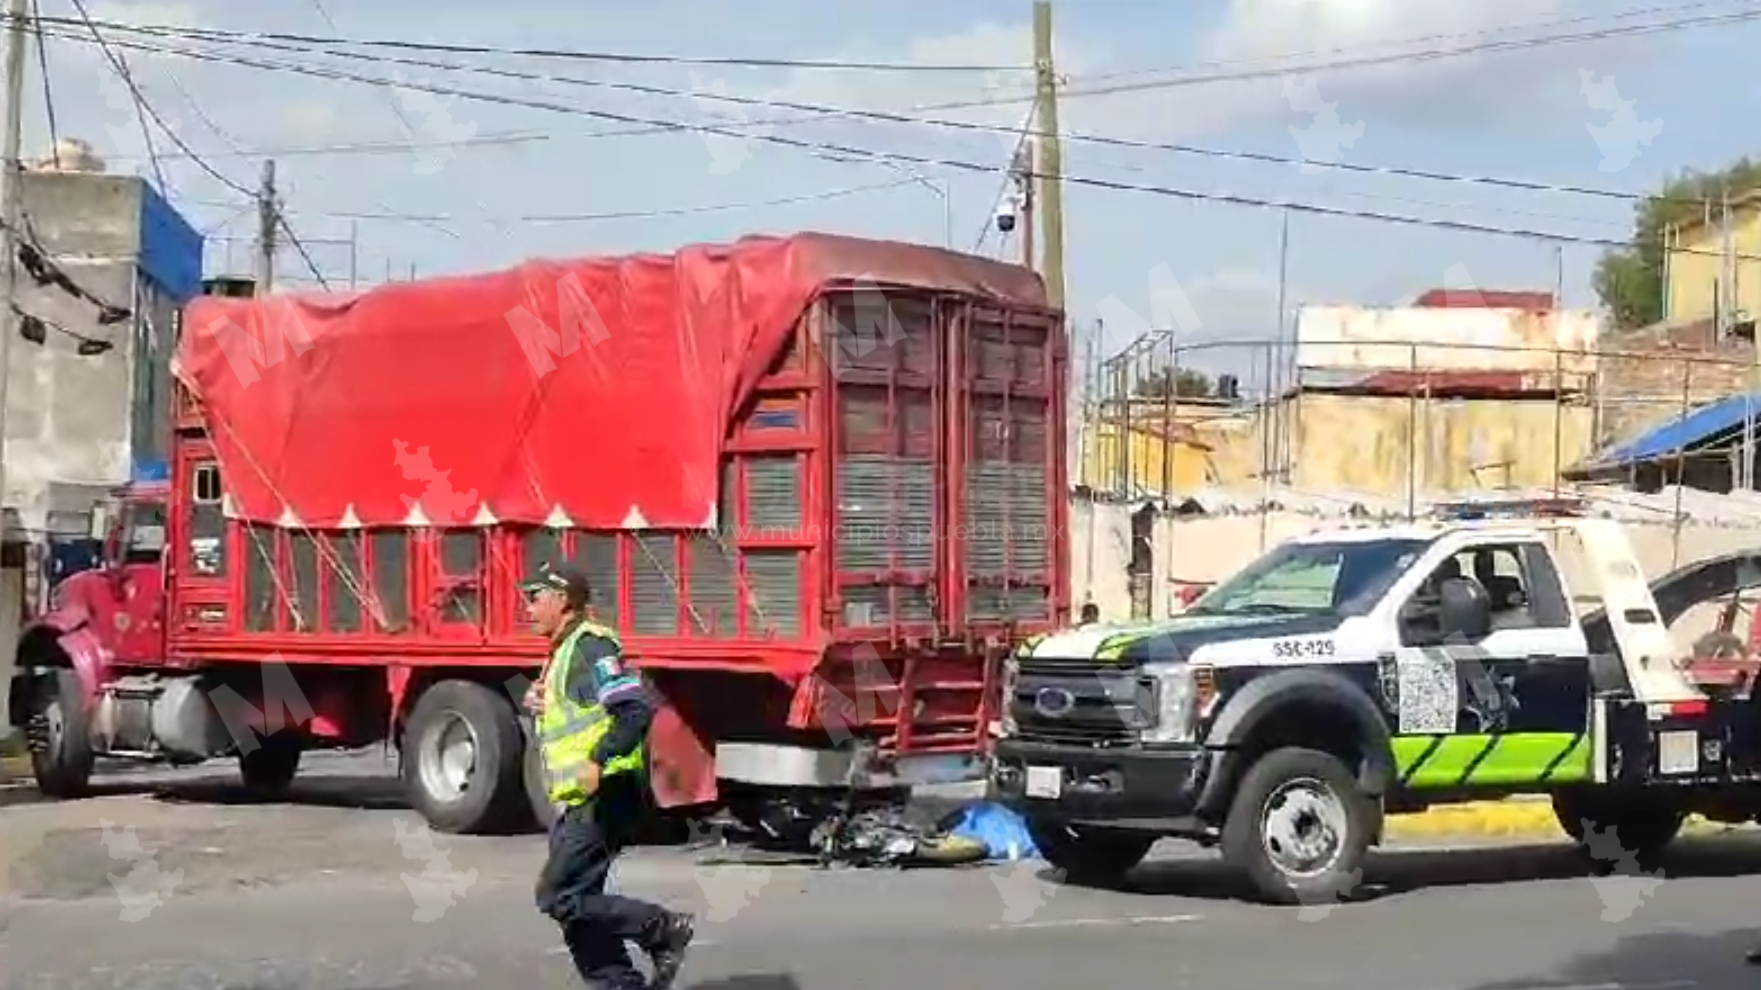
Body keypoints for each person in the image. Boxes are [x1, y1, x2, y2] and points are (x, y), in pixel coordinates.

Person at [522, 565, 694, 989]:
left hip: (607, 791)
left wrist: (597, 760)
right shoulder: (562, 651)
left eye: (535, 597)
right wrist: (533, 699)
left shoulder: (592, 646)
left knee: (558, 895)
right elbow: (578, 714)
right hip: (579, 798)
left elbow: (635, 711)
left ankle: (662, 928)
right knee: (577, 906)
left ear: (562, 600)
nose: (528, 609)